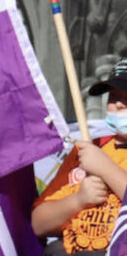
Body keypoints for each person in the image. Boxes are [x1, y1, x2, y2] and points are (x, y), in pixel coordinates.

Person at [33, 56, 127, 254]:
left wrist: (105, 168)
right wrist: (79, 200)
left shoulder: (95, 157)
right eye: (113, 97)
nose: (118, 104)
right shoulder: (87, 150)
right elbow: (39, 223)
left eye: (126, 97)